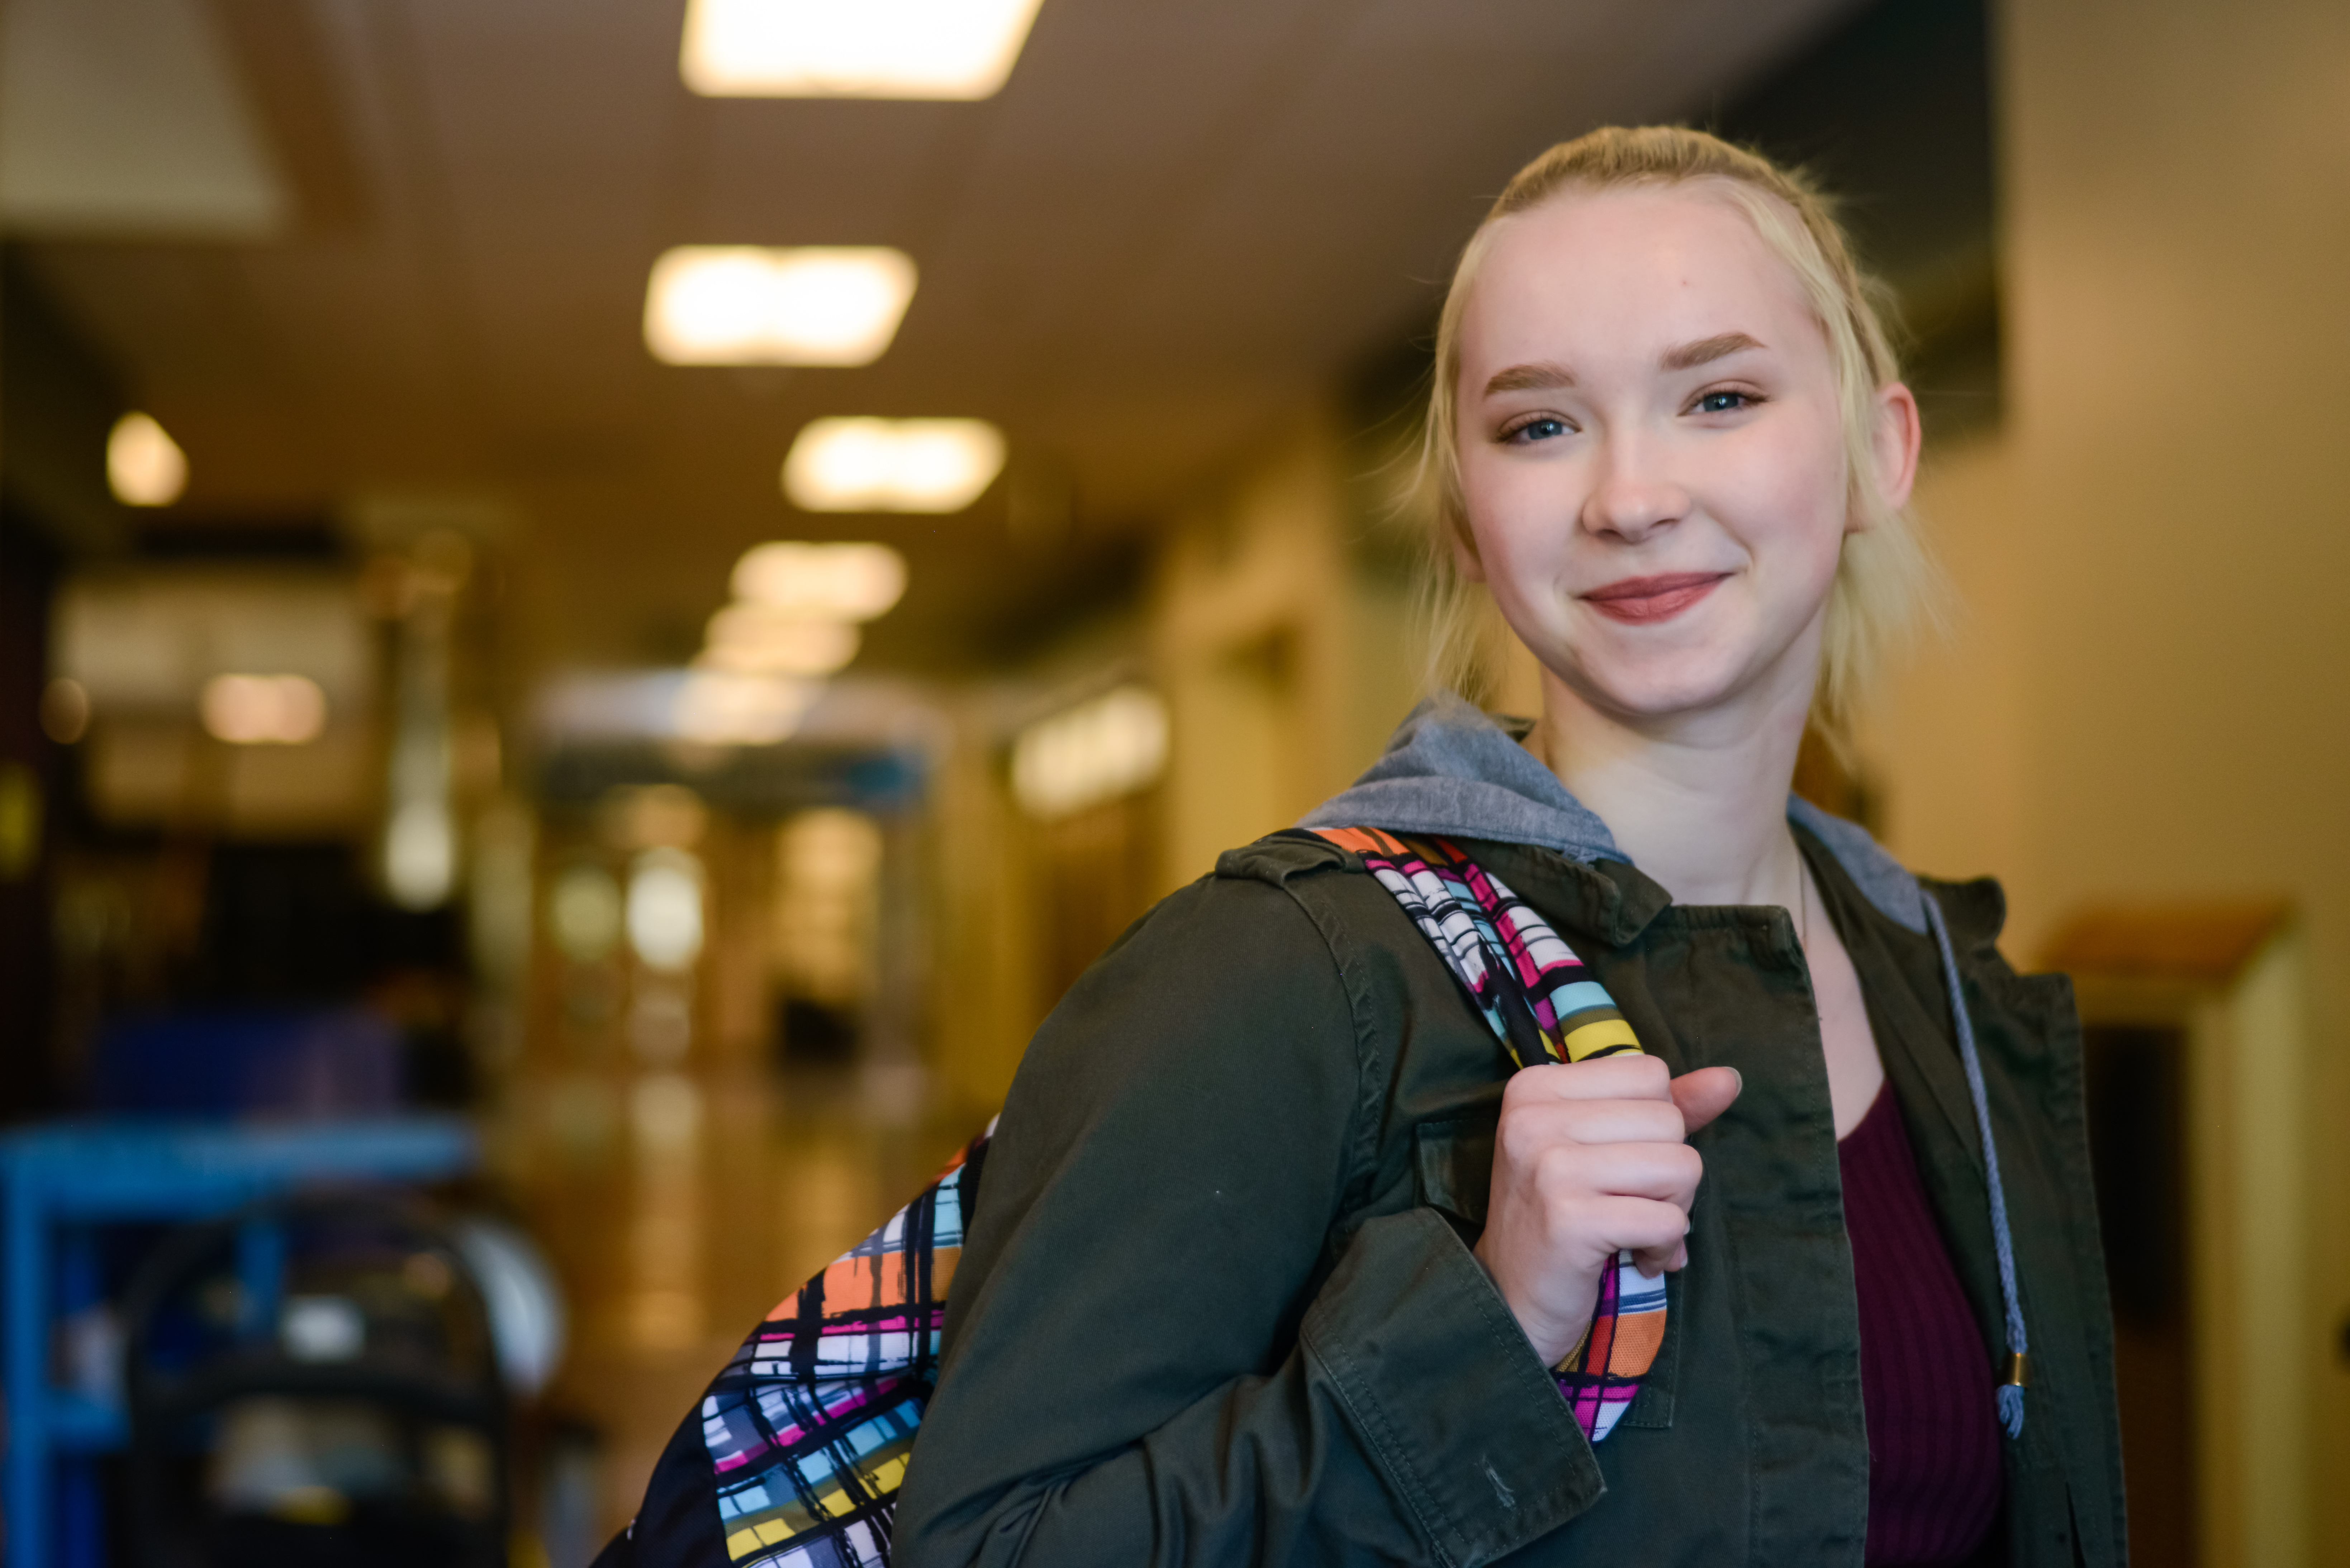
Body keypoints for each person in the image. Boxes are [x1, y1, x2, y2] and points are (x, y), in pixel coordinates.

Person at [889, 126, 2124, 1567]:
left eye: (1718, 396)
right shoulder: (1286, 973)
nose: (1629, 495)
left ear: (1875, 451)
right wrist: (1484, 1320)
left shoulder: (1949, 987)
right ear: (1470, 523)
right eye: (1539, 425)